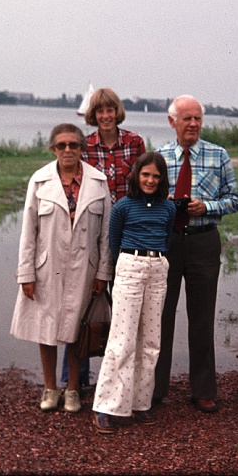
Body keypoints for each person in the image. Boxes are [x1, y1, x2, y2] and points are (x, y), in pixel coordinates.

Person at [10, 123, 113, 413]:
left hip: (85, 269)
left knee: (76, 329)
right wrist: (26, 274)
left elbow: (105, 234)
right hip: (47, 268)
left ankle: (72, 390)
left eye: (74, 145)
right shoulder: (39, 181)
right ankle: (50, 388)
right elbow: (28, 231)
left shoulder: (98, 182)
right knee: (46, 329)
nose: (68, 150)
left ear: (82, 147)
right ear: (52, 149)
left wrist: (103, 273)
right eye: (61, 145)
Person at [152, 95, 238, 413]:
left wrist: (208, 206)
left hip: (204, 241)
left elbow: (235, 199)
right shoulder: (159, 156)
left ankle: (203, 389)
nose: (192, 124)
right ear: (171, 121)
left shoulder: (218, 155)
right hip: (167, 243)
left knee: (202, 318)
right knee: (159, 317)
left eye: (197, 119)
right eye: (186, 118)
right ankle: (155, 388)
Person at [61, 87, 146, 392]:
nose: (106, 116)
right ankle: (73, 378)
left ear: (117, 112)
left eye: (110, 110)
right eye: (100, 112)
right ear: (92, 115)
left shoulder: (135, 143)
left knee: (124, 304)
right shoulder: (84, 146)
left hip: (127, 233)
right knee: (81, 304)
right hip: (92, 231)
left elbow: (143, 186)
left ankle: (122, 380)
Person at [91, 152, 176, 434]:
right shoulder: (123, 207)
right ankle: (107, 406)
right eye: (146, 174)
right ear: (137, 176)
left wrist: (155, 262)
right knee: (122, 339)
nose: (150, 180)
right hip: (130, 265)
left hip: (157, 267)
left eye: (156, 176)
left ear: (162, 179)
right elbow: (114, 242)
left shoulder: (168, 208)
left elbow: (166, 237)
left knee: (151, 340)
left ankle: (140, 402)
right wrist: (124, 269)